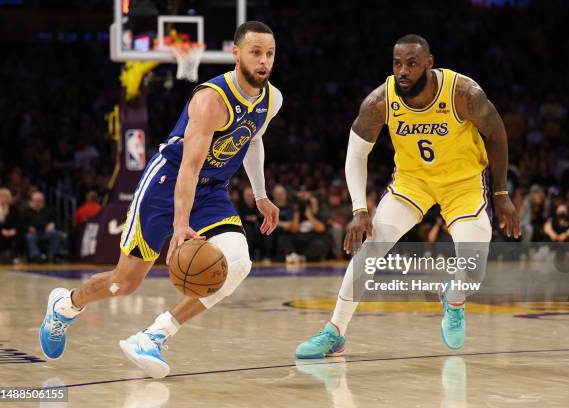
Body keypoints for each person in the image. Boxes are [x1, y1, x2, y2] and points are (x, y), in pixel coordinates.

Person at [39, 21, 282, 379]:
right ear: (236, 53)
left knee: (238, 263)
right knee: (125, 283)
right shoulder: (211, 100)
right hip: (166, 183)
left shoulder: (271, 99)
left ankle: (153, 336)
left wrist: (260, 194)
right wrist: (180, 225)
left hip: (212, 190)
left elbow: (253, 139)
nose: (264, 61)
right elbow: (189, 166)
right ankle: (64, 305)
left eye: (270, 54)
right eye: (256, 52)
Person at [296, 34, 519, 358]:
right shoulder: (379, 102)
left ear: (429, 64)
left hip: (464, 183)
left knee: (474, 267)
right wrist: (360, 209)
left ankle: (454, 300)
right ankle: (335, 331)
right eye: (398, 63)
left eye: (412, 64)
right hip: (413, 182)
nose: (403, 71)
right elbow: (355, 154)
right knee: (371, 248)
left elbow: (497, 135)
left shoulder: (463, 93)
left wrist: (501, 193)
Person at [21, 191, 60, 262]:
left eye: (41, 200)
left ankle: (54, 255)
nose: (39, 202)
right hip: (33, 232)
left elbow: (54, 221)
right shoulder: (27, 211)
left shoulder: (48, 209)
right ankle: (36, 256)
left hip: (45, 231)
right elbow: (23, 222)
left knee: (55, 233)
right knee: (29, 237)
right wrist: (28, 227)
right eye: (37, 200)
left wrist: (50, 225)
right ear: (33, 201)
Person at [0, 188, 19, 263]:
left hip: (10, 231)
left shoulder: (13, 209)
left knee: (18, 235)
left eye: (6, 196)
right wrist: (1, 230)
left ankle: (12, 256)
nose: (4, 198)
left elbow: (17, 222)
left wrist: (13, 230)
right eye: (2, 196)